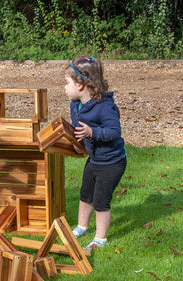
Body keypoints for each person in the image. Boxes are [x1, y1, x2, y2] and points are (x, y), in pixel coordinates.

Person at [65, 56, 127, 250]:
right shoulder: (76, 105)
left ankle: (100, 238)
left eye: (67, 83)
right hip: (94, 159)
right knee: (86, 195)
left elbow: (114, 132)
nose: (64, 88)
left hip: (111, 162)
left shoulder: (105, 106)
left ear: (81, 85)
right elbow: (78, 131)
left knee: (101, 200)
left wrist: (92, 132)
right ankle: (82, 227)